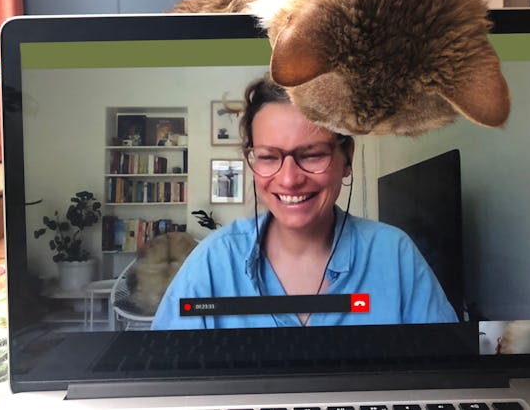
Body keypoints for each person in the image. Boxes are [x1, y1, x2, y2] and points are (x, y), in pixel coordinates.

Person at [151, 76, 457, 329]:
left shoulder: (395, 255)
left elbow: (445, 375)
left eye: (311, 155)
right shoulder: (212, 262)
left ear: (347, 156)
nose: (289, 179)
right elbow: (166, 384)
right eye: (269, 157)